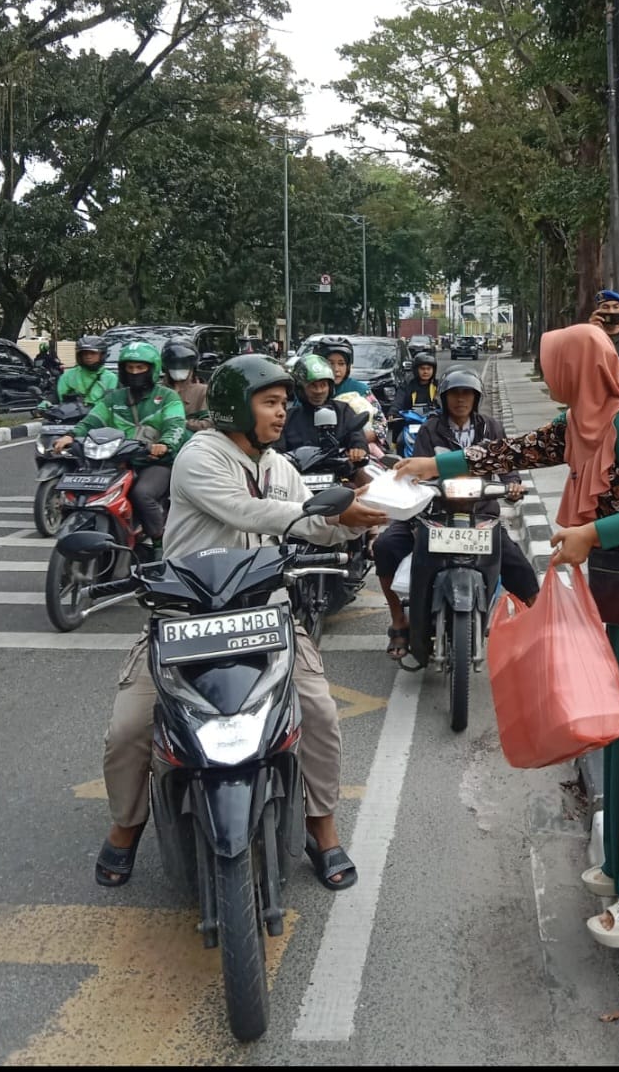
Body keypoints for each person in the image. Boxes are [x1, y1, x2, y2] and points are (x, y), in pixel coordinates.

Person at [396, 324, 619, 947]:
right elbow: (521, 450)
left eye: (554, 366)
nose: (548, 378)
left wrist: (595, 534)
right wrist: (436, 463)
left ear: (577, 369)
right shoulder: (587, 421)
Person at [91, 353, 388, 890]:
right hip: (186, 614)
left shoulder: (280, 469)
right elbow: (246, 512)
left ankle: (322, 827)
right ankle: (125, 827)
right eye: (270, 403)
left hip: (264, 614)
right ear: (235, 406)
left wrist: (361, 518)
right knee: (130, 728)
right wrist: (325, 513)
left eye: (283, 404)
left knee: (318, 711)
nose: (282, 414)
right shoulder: (199, 456)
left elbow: (313, 526)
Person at [375, 367, 539, 662]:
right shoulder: (430, 429)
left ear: (476, 398)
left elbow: (506, 466)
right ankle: (399, 620)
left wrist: (512, 484)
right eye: (454, 394)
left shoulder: (491, 428)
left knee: (518, 564)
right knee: (385, 546)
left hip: (481, 514)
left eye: (467, 394)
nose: (460, 400)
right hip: (434, 512)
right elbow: (418, 470)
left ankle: (542, 629)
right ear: (444, 398)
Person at [50, 342, 186, 558]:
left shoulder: (167, 398)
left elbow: (175, 425)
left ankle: (160, 544)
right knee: (90, 491)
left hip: (154, 462)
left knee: (142, 494)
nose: (134, 373)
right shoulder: (114, 398)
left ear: (152, 369)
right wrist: (70, 436)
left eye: (140, 368)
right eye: (130, 368)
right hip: (116, 461)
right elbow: (92, 420)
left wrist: (165, 444)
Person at [282, 354, 369, 461]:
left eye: (323, 385)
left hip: (341, 473)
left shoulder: (343, 411)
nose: (319, 391)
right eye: (313, 385)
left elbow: (356, 434)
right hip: (297, 474)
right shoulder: (288, 418)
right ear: (300, 389)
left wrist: (358, 448)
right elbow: (275, 449)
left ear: (330, 387)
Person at [312, 336, 390, 450]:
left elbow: (380, 423)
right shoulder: (309, 390)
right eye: (330, 363)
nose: (336, 369)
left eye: (341, 363)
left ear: (348, 366)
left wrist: (359, 440)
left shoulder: (361, 390)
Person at [388, 350, 439, 452]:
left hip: (432, 424)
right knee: (401, 442)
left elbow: (443, 402)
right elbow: (398, 400)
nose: (425, 372)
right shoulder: (407, 385)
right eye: (422, 369)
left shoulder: (438, 386)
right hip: (410, 424)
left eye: (429, 369)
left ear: (433, 370)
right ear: (416, 370)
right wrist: (393, 412)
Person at [160, 339, 211, 436]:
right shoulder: (158, 391)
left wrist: (182, 423)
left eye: (183, 363)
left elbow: (208, 424)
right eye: (173, 363)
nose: (178, 367)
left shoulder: (203, 391)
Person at [52, 335, 117, 405]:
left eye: (93, 353)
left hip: (99, 415)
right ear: (80, 355)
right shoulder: (68, 376)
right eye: (85, 353)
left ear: (102, 355)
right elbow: (58, 398)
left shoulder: (111, 378)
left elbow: (111, 404)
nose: (88, 356)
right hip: (71, 414)